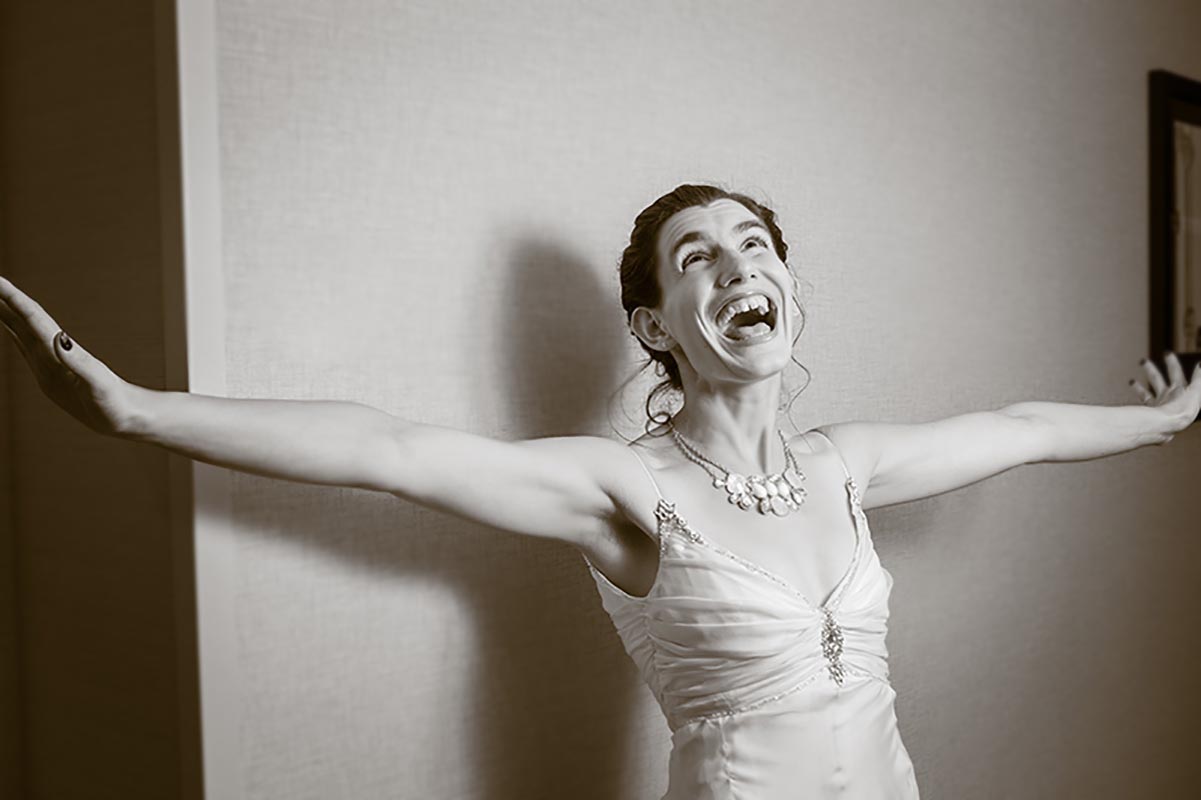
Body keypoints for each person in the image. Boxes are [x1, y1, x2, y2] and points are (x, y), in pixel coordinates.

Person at [2, 183, 1198, 799]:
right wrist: (137, 410)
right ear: (655, 325)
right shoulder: (624, 486)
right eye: (700, 258)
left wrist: (1167, 421)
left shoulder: (844, 462)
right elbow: (391, 449)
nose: (740, 265)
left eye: (756, 243)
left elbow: (1025, 428)